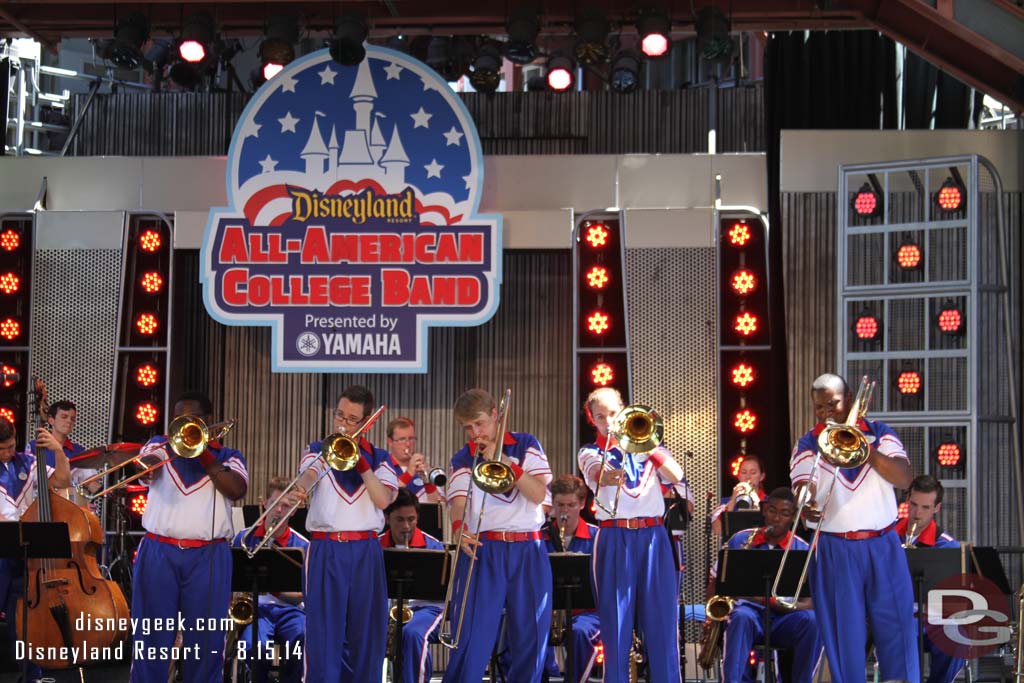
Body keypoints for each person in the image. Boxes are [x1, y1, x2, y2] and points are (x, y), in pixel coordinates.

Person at [790, 373, 917, 683]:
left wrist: (864, 447)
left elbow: (904, 478)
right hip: (836, 548)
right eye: (819, 407)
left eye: (832, 404)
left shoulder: (880, 433)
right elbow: (804, 483)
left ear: (849, 399)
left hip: (883, 544)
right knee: (843, 636)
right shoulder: (808, 442)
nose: (826, 413)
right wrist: (805, 500)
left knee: (897, 629)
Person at [129, 391, 248, 683]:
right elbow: (142, 469)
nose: (182, 425)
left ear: (206, 422)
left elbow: (236, 489)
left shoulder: (229, 456)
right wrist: (157, 457)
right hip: (159, 551)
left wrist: (203, 451)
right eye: (177, 419)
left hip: (208, 556)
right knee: (151, 638)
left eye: (189, 420)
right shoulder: (160, 445)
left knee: (206, 642)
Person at [442, 388, 553, 683]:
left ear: (496, 415)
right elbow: (458, 503)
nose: (475, 433)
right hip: (484, 548)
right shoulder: (463, 457)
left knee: (532, 635)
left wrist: (507, 462)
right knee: (472, 638)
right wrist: (458, 528)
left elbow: (539, 493)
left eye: (479, 423)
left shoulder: (526, 444)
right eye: (468, 427)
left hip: (528, 547)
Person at [288, 384, 398, 682]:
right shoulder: (318, 449)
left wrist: (360, 461)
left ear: (366, 423)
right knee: (322, 636)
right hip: (325, 548)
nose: (343, 424)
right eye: (340, 415)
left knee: (367, 636)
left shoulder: (381, 458)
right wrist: (301, 487)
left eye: (352, 419)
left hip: (365, 550)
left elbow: (384, 500)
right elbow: (308, 474)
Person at [578, 387, 685, 683]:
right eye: (600, 417)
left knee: (663, 624)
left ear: (624, 411)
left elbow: (676, 475)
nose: (608, 421)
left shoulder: (650, 445)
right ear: (592, 420)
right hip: (614, 536)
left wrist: (645, 443)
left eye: (613, 414)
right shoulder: (589, 451)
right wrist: (610, 473)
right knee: (616, 625)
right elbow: (598, 473)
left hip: (653, 535)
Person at [708, 487, 823, 683]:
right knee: (740, 617)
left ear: (793, 517)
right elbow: (715, 582)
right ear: (763, 510)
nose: (777, 518)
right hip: (750, 616)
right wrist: (711, 618)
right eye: (772, 510)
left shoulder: (803, 550)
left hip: (785, 619)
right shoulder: (741, 540)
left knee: (812, 622)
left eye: (784, 513)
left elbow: (812, 603)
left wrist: (777, 604)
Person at [0, 416, 71, 682]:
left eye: (11, 445)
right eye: (2, 449)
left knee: (23, 622)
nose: (8, 452)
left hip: (30, 555)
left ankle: (32, 675)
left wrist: (58, 450)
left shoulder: (29, 462)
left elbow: (63, 481)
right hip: (3, 554)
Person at [232, 476, 308, 683]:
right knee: (252, 647)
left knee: (301, 640)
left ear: (293, 511)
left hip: (291, 611)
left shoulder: (303, 545)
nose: (279, 511)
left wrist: (270, 587)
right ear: (265, 503)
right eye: (274, 504)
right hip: (256, 611)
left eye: (285, 506)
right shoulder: (243, 538)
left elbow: (303, 596)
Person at [896, 475, 963, 683]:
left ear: (937, 508)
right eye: (914, 505)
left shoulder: (947, 546)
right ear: (907, 500)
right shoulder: (888, 537)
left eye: (925, 507)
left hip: (931, 620)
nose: (917, 513)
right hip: (895, 617)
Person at [378, 487, 445, 683]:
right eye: (400, 519)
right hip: (385, 609)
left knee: (414, 634)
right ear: (387, 518)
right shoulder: (375, 545)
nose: (407, 526)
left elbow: (441, 593)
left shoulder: (433, 546)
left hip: (426, 607)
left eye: (412, 519)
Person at [542, 474, 601, 683]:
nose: (564, 511)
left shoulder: (598, 537)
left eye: (571, 505)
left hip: (589, 613)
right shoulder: (541, 537)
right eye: (560, 505)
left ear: (582, 504)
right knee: (522, 626)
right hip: (548, 612)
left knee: (579, 632)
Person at [386, 416, 444, 504]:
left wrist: (427, 482)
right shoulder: (383, 467)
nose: (408, 444)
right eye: (402, 439)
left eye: (411, 438)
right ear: (390, 442)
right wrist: (409, 474)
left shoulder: (423, 467)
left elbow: (439, 506)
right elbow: (386, 499)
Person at [710, 454, 767, 536]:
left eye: (753, 473)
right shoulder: (725, 502)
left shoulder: (769, 501)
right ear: (738, 476)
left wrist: (756, 500)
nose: (748, 477)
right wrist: (732, 501)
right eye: (743, 472)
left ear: (761, 476)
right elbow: (718, 531)